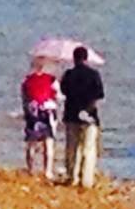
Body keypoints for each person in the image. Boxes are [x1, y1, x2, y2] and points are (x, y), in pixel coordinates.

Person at [59, 46, 105, 188]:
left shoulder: (68, 74)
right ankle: (86, 179)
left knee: (72, 147)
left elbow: (63, 90)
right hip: (90, 115)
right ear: (86, 58)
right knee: (88, 148)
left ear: (74, 58)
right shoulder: (94, 74)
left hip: (72, 114)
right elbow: (100, 94)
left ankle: (72, 176)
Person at [20, 59, 59, 179]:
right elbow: (57, 96)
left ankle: (31, 168)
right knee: (49, 142)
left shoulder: (27, 80)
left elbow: (24, 97)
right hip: (47, 111)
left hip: (33, 112)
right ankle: (48, 171)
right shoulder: (52, 79)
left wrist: (26, 110)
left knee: (31, 142)